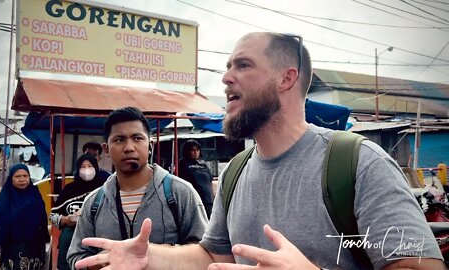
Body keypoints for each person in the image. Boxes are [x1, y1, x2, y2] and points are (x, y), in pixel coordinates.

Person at [74, 32, 444, 269]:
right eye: (227, 66)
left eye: (243, 65)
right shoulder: (235, 171)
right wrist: (150, 256)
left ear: (287, 78)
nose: (225, 77)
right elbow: (212, 255)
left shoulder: (359, 163)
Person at [67, 106, 208, 269]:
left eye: (137, 138)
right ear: (106, 149)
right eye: (119, 140)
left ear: (150, 145)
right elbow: (76, 256)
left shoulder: (180, 193)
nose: (129, 147)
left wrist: (157, 255)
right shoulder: (94, 203)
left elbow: (204, 253)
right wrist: (103, 261)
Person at [0, 163, 50, 270]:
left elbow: (42, 218)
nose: (22, 179)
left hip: (33, 246)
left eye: (25, 176)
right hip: (11, 246)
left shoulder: (35, 195)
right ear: (11, 178)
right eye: (17, 176)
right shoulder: (5, 198)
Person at [50, 153, 105, 270]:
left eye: (90, 166)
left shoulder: (104, 189)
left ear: (96, 168)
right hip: (70, 239)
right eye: (83, 167)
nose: (86, 170)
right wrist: (65, 220)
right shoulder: (69, 189)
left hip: (97, 240)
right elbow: (53, 216)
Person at [178, 139, 214, 218]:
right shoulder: (182, 164)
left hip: (208, 199)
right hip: (195, 201)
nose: (196, 152)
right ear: (188, 151)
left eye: (197, 150)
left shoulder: (203, 164)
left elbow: (210, 181)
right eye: (193, 150)